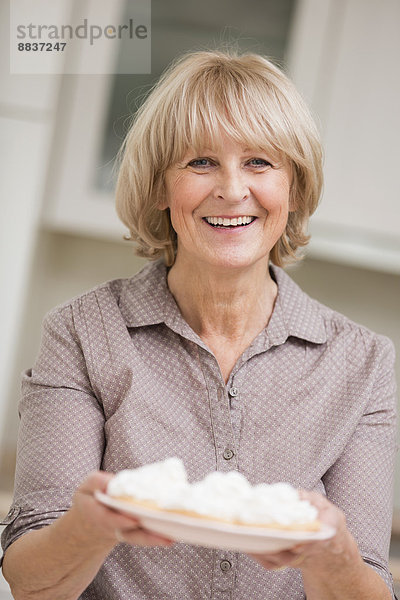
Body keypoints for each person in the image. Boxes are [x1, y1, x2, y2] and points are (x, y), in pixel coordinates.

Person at [1, 49, 397, 600]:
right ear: (161, 187)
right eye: (200, 162)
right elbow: (32, 583)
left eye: (260, 162)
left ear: (295, 189)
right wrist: (91, 525)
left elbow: (369, 589)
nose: (232, 189)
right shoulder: (83, 334)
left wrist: (332, 557)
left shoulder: (364, 364)